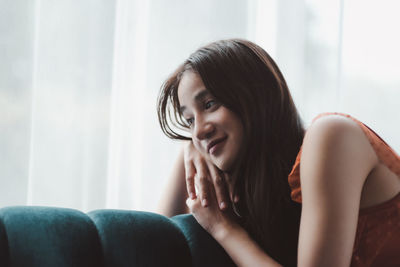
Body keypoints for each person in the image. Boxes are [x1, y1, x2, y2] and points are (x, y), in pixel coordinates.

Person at [156, 39, 400, 267]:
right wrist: (187, 151)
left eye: (209, 104)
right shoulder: (254, 189)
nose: (199, 130)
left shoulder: (331, 135)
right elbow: (154, 244)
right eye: (189, 120)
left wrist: (223, 229)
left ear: (254, 94)